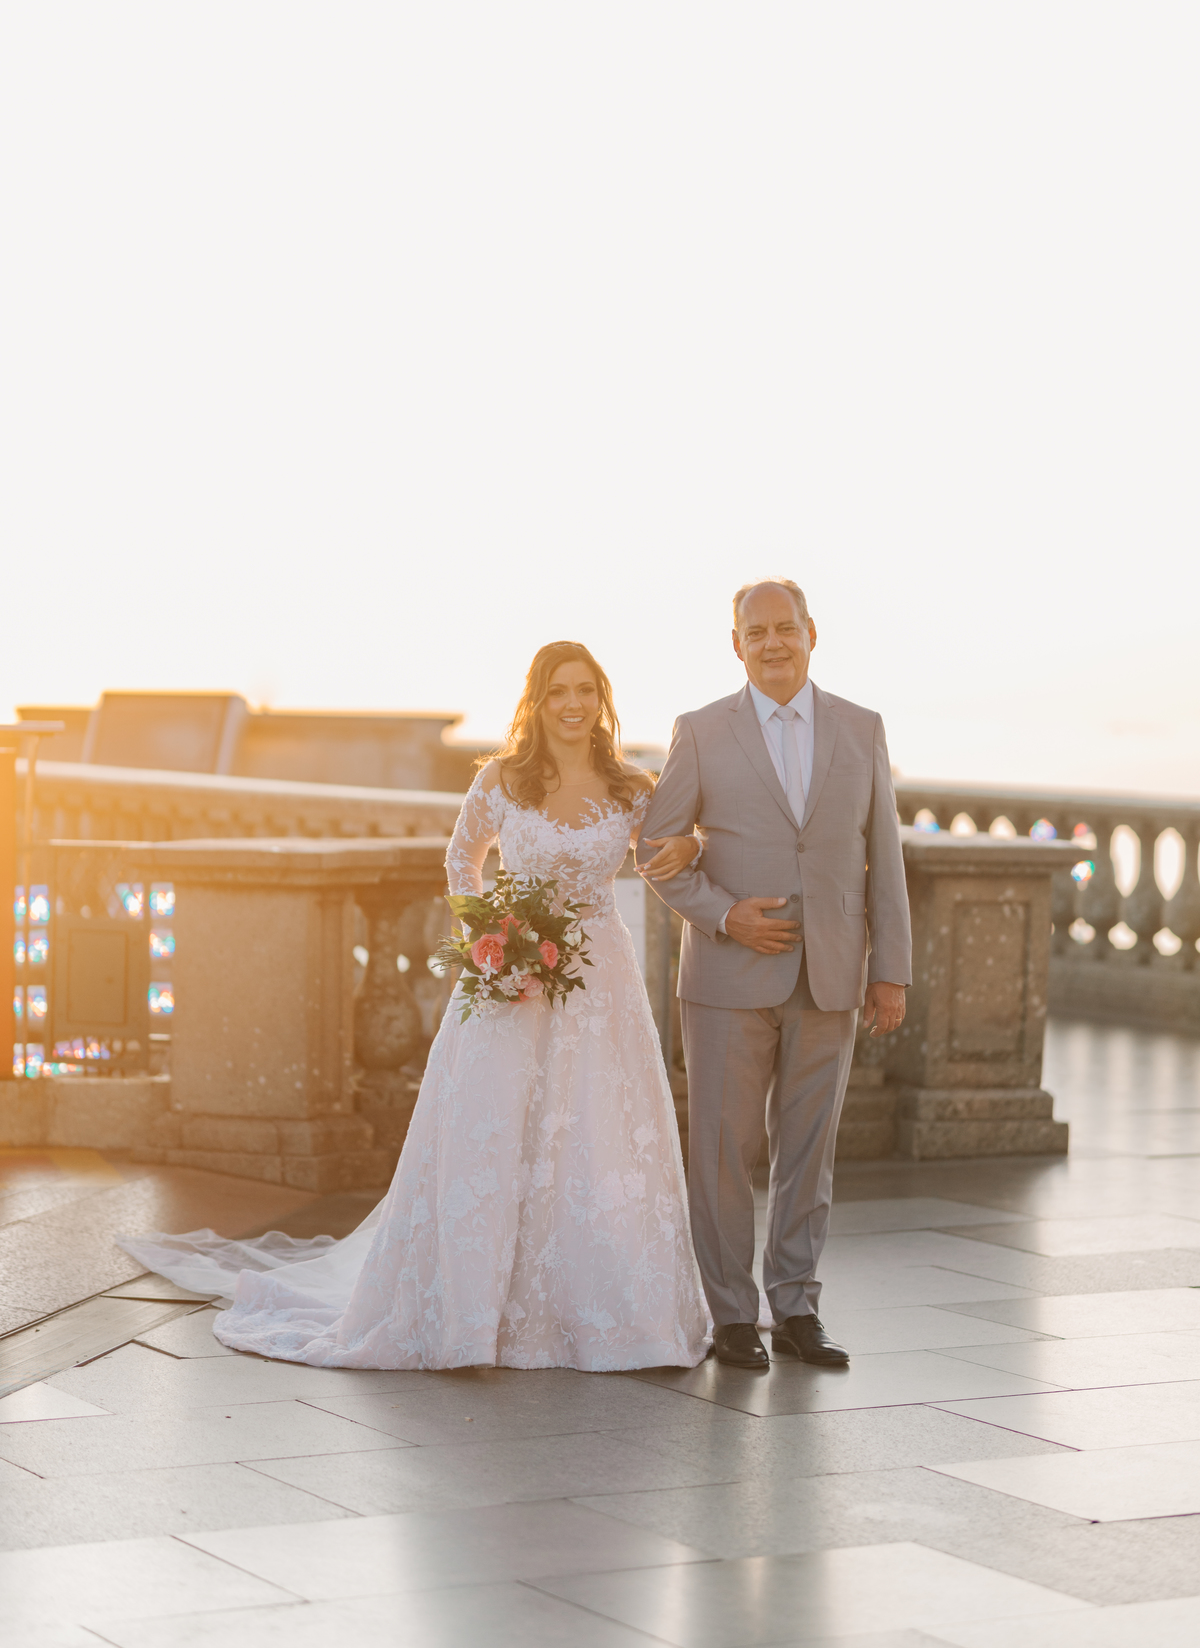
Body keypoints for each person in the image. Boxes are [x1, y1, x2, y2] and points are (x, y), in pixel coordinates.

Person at [118, 642, 709, 1372]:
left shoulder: (630, 789)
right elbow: (462, 860)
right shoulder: (501, 780)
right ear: (537, 698)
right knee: (492, 1139)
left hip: (599, 982)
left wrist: (697, 847)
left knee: (596, 1137)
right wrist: (492, 936)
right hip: (510, 980)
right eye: (559, 690)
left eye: (586, 689)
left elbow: (662, 854)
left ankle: (609, 1312)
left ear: (602, 698)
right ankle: (471, 1315)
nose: (574, 703)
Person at [638, 580, 912, 1369]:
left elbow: (883, 855)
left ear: (811, 632)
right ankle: (730, 1313)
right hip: (727, 977)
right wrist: (727, 915)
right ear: (736, 644)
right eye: (754, 632)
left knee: (809, 1149)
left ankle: (795, 1306)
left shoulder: (862, 729)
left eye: (784, 628)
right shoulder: (700, 730)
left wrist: (887, 969)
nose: (771, 643)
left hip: (830, 973)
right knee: (722, 1146)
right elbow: (656, 853)